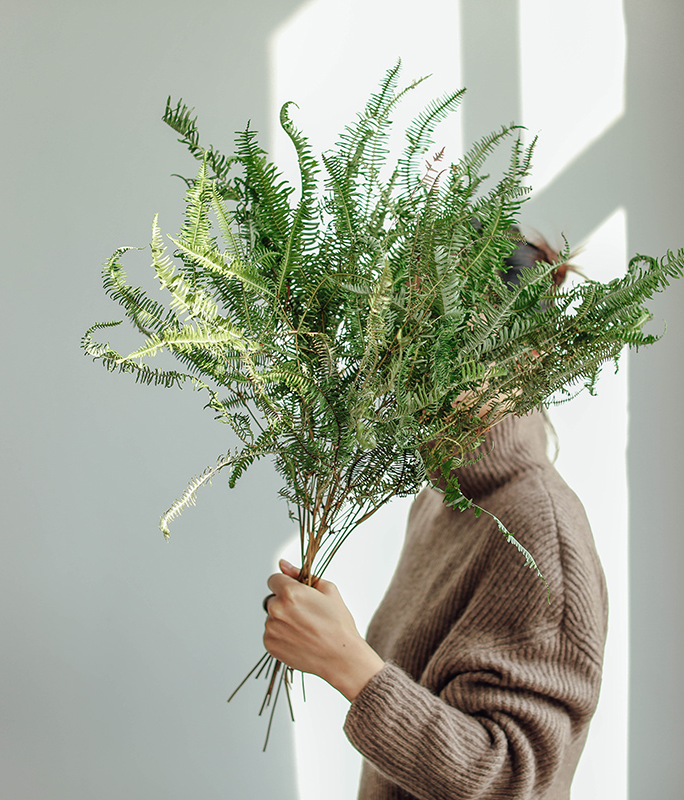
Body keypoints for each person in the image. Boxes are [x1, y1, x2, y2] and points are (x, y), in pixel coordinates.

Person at [263, 239, 609, 800]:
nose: (417, 366)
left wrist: (348, 663)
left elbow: (514, 782)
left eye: (451, 342)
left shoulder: (542, 531)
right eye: (409, 337)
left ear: (527, 356)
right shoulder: (442, 496)